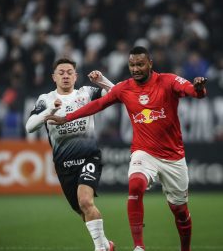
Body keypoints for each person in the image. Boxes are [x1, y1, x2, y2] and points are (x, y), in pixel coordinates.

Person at [45, 46, 207, 251]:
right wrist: (66, 117)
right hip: (143, 151)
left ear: (150, 64)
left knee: (180, 210)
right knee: (135, 185)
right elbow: (98, 104)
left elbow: (193, 91)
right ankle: (139, 246)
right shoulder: (124, 88)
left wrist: (199, 88)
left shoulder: (168, 81)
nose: (136, 68)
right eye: (132, 65)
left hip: (173, 157)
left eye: (140, 64)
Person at [25, 58, 115, 251]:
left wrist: (102, 80)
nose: (65, 76)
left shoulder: (86, 93)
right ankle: (106, 244)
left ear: (76, 76)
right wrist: (51, 109)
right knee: (82, 210)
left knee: (85, 200)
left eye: (69, 72)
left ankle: (101, 249)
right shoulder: (45, 99)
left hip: (89, 157)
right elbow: (30, 126)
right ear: (54, 77)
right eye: (61, 72)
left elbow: (118, 94)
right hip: (64, 164)